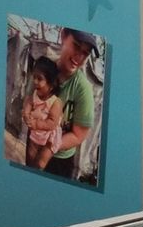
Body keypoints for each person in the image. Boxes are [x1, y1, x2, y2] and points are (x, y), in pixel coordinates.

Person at [33, 28, 98, 180]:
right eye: (76, 46)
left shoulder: (83, 89)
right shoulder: (44, 70)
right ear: (63, 36)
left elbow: (78, 135)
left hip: (59, 160)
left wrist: (50, 147)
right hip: (35, 144)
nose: (79, 57)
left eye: (86, 53)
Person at [21, 56, 65, 167]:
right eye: (34, 77)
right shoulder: (36, 94)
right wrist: (26, 115)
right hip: (36, 133)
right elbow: (29, 103)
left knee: (40, 163)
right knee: (30, 158)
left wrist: (36, 123)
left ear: (51, 84)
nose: (35, 81)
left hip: (50, 136)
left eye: (39, 79)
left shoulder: (55, 102)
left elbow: (52, 123)